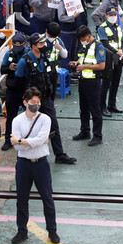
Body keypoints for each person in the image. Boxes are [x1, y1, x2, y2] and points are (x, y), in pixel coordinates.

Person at [9, 87, 59, 244]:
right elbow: (19, 148)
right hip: (23, 164)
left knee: (47, 198)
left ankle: (52, 230)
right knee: (21, 199)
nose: (36, 105)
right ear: (25, 103)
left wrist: (19, 140)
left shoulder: (45, 119)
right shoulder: (17, 121)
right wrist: (31, 142)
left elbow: (36, 140)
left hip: (41, 163)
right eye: (32, 102)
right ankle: (21, 231)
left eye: (38, 102)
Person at [15, 34, 75, 164]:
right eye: (41, 44)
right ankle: (28, 154)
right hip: (32, 101)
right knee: (30, 126)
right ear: (33, 46)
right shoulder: (24, 61)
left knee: (54, 125)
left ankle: (59, 154)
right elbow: (19, 80)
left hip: (46, 98)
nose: (44, 46)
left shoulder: (44, 58)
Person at [70, 26, 105, 146]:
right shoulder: (85, 46)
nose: (82, 41)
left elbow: (101, 66)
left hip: (93, 83)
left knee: (95, 110)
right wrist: (77, 63)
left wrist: (85, 67)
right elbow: (84, 59)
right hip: (83, 81)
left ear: (89, 36)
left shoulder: (98, 47)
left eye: (83, 38)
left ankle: (97, 135)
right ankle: (85, 131)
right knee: (83, 109)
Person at [1, 34, 28, 149]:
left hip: (26, 89)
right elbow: (2, 69)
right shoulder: (9, 54)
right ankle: (8, 140)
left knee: (29, 115)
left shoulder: (29, 54)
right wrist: (9, 68)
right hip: (12, 89)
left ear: (25, 44)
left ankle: (28, 139)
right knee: (11, 116)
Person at [97, 6, 123, 116]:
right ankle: (102, 106)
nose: (113, 17)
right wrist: (116, 51)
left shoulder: (117, 27)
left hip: (118, 59)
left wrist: (122, 50)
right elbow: (104, 43)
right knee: (106, 84)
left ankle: (112, 105)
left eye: (115, 15)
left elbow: (122, 41)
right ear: (106, 16)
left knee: (115, 83)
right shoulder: (102, 28)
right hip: (108, 59)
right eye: (111, 15)